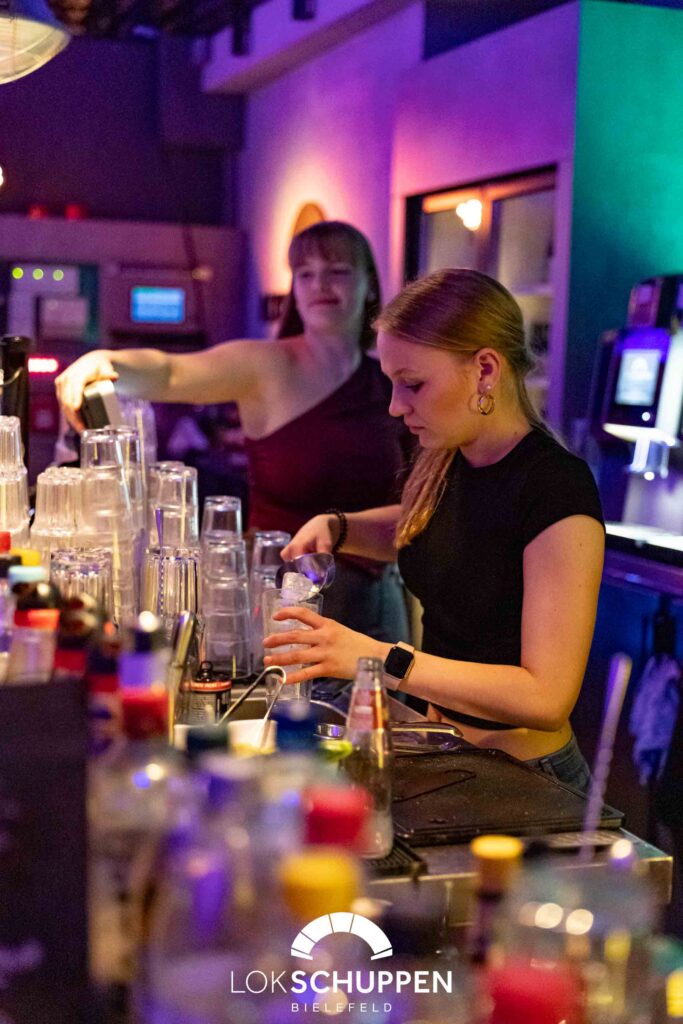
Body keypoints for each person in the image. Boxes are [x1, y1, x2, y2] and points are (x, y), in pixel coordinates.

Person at [265, 269, 605, 791]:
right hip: (444, 749)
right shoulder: (449, 458)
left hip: (528, 778)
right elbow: (434, 536)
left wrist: (378, 657)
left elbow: (546, 696)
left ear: (485, 370)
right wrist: (340, 527)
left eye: (413, 384)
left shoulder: (556, 487)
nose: (395, 405)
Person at [55, 221, 411, 642]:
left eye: (337, 271)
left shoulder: (391, 382)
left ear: (369, 285)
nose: (320, 285)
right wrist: (106, 360)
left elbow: (417, 505)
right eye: (305, 273)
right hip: (283, 601)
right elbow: (171, 373)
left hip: (376, 607)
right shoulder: (265, 366)